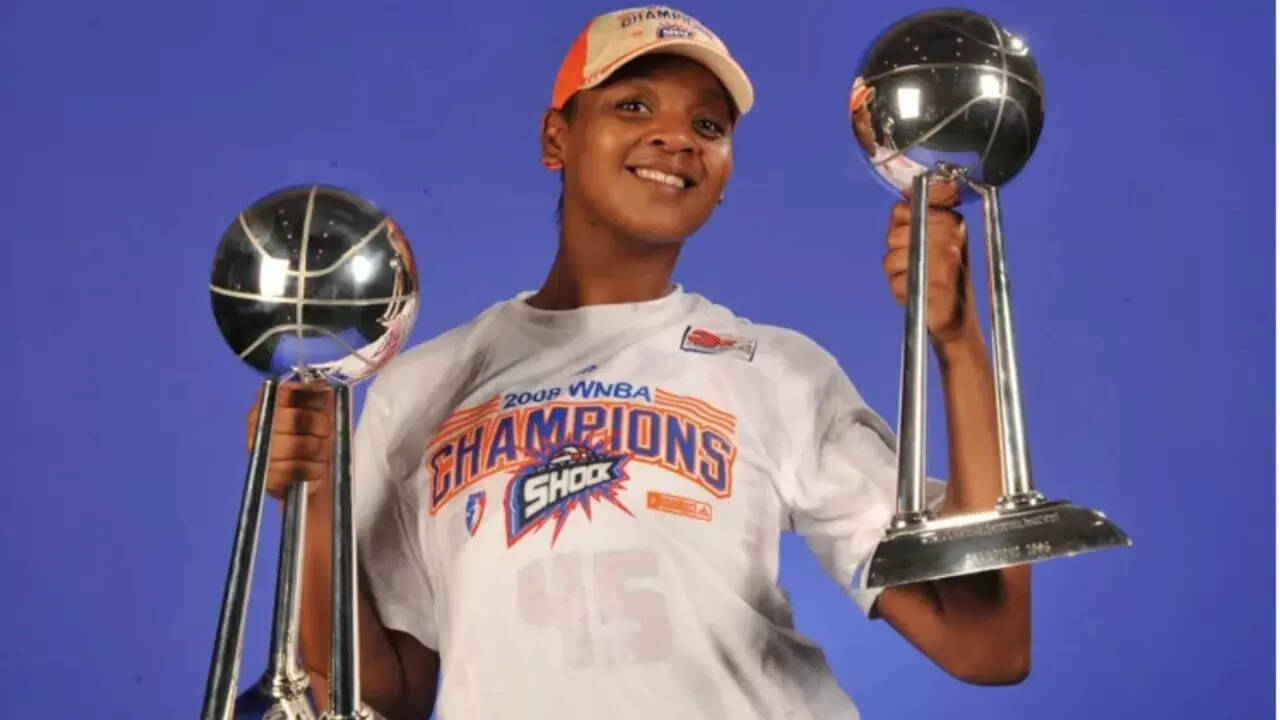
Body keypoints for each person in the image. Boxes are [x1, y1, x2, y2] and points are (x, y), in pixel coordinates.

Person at [250, 6, 1029, 719]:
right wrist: (313, 496)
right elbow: (385, 696)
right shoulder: (426, 388)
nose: (678, 136)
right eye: (633, 105)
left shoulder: (776, 371)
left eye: (709, 125)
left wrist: (958, 344)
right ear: (557, 137)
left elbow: (985, 642)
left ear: (722, 178)